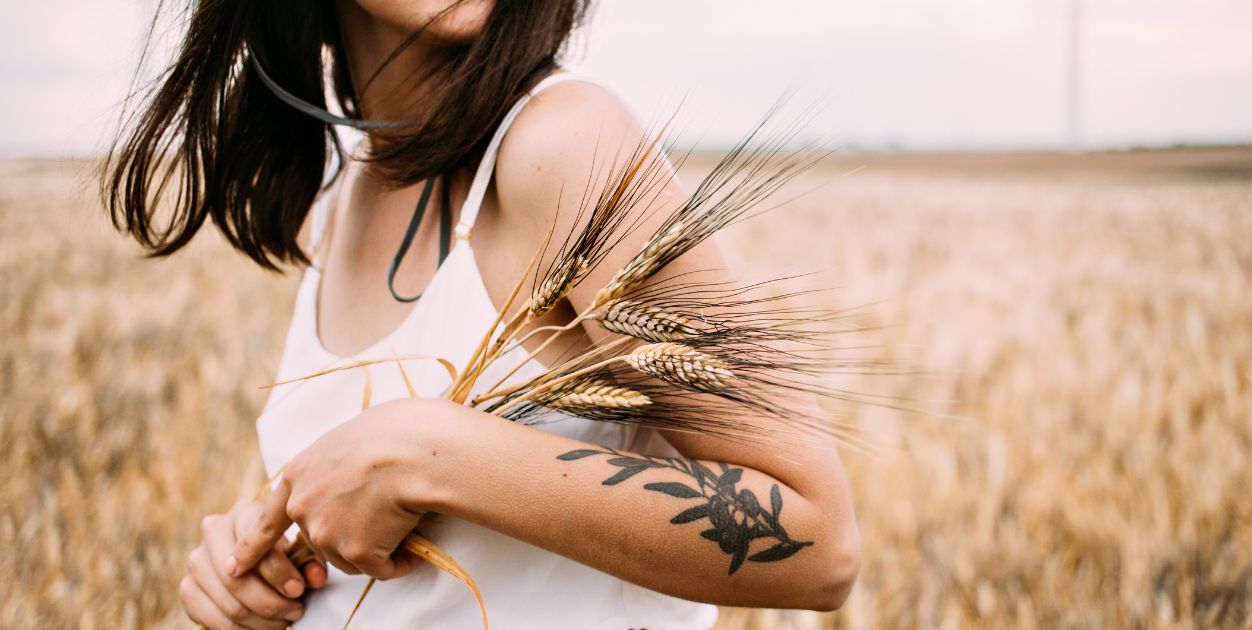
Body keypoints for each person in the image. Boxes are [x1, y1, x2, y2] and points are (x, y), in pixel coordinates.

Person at [102, 1, 861, 628]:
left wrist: (429, 454)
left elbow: (818, 541)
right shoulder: (337, 206)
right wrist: (246, 571)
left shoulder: (563, 146)